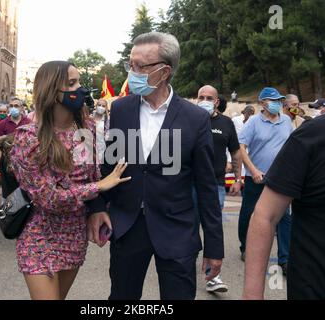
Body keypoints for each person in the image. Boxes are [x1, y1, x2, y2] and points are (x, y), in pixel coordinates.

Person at [87, 32, 224, 300]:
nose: (132, 72)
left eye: (141, 66)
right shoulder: (122, 109)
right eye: (131, 64)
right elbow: (108, 167)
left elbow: (207, 186)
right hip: (127, 226)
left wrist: (214, 246)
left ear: (164, 71)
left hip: (176, 230)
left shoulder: (195, 118)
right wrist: (97, 207)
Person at [10, 61, 130, 300]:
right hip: (39, 234)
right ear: (52, 91)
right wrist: (99, 186)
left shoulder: (86, 129)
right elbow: (48, 198)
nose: (81, 89)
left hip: (73, 233)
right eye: (72, 83)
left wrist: (97, 207)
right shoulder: (29, 137)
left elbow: (89, 174)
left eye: (79, 82)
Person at [243, 64, 325, 300]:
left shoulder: (287, 122)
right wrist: (252, 294)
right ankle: (282, 259)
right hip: (321, 288)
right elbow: (264, 216)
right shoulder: (314, 135)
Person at [238, 87, 293, 274]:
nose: (277, 102)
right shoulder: (253, 122)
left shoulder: (286, 121)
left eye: (279, 100)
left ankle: (285, 258)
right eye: (273, 100)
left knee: (285, 217)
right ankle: (245, 247)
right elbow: (242, 147)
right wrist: (252, 170)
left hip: (280, 178)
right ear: (262, 103)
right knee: (249, 212)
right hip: (257, 177)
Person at [196, 85, 242, 293]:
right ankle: (183, 267)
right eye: (201, 97)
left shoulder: (226, 123)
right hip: (190, 185)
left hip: (216, 185)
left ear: (216, 101)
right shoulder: (190, 119)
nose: (204, 100)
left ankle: (212, 276)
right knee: (188, 228)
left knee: (212, 229)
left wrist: (238, 179)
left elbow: (236, 152)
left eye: (209, 97)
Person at [0, 99, 31, 199]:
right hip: (7, 161)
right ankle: (8, 211)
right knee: (8, 190)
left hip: (24, 162)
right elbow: (0, 145)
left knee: (24, 189)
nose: (13, 108)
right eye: (11, 106)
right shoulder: (3, 123)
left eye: (16, 106)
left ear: (21, 108)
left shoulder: (28, 122)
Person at [93, 98, 110, 163]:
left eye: (103, 106)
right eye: (99, 105)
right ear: (96, 106)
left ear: (106, 108)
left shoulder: (107, 120)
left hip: (102, 148)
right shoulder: (90, 118)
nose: (101, 107)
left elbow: (108, 135)